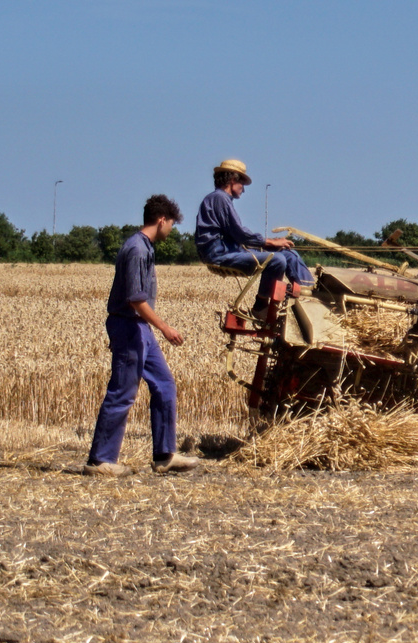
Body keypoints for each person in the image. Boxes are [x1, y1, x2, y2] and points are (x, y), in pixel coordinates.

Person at [86, 195, 199, 477]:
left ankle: (164, 455)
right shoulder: (136, 249)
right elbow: (136, 299)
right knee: (123, 391)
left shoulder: (144, 247)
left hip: (140, 329)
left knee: (164, 384)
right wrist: (165, 327)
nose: (171, 229)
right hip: (128, 326)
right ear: (161, 220)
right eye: (171, 224)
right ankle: (100, 461)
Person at [194, 158, 313, 301]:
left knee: (288, 254)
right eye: (242, 184)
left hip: (232, 250)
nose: (243, 189)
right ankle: (261, 305)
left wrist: (271, 242)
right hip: (220, 255)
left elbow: (236, 235)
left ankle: (310, 291)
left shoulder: (221, 199)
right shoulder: (219, 198)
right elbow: (240, 234)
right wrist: (269, 242)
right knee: (277, 260)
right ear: (232, 180)